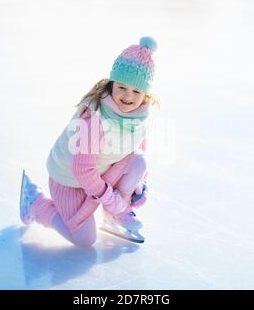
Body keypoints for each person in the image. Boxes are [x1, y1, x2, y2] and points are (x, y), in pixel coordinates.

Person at [19, 37, 159, 247]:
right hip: (69, 179)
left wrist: (139, 184)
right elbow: (82, 170)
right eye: (122, 87)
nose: (128, 96)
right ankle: (35, 203)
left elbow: (137, 146)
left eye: (137, 91)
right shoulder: (94, 119)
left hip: (100, 171)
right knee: (84, 239)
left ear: (145, 93)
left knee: (140, 162)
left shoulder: (139, 114)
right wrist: (112, 199)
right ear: (112, 83)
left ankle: (114, 215)